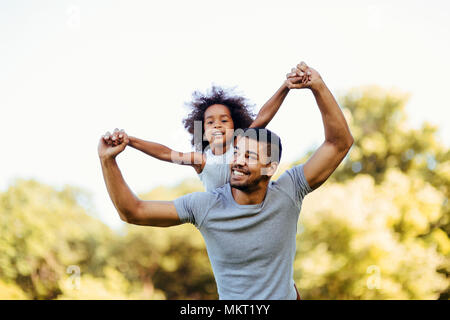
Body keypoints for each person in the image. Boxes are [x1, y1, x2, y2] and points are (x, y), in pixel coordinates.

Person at [98, 61, 354, 299]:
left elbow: (338, 142)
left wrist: (313, 86)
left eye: (249, 155)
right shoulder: (204, 195)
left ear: (270, 168)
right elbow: (134, 211)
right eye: (209, 122)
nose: (238, 160)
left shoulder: (288, 189)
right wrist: (112, 157)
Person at [103, 76, 305, 191]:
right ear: (203, 132)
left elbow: (263, 117)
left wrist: (286, 86)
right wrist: (130, 140)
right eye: (210, 123)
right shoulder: (201, 160)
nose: (217, 125)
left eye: (224, 120)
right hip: (220, 215)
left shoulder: (241, 143)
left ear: (236, 126)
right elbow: (166, 153)